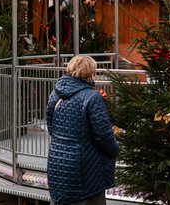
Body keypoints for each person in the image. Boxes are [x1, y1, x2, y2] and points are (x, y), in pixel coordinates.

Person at [45, 55, 118, 205]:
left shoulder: (55, 94)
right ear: (91, 73)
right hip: (86, 169)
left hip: (57, 163)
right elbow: (103, 134)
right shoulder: (92, 97)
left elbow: (51, 125)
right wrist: (115, 149)